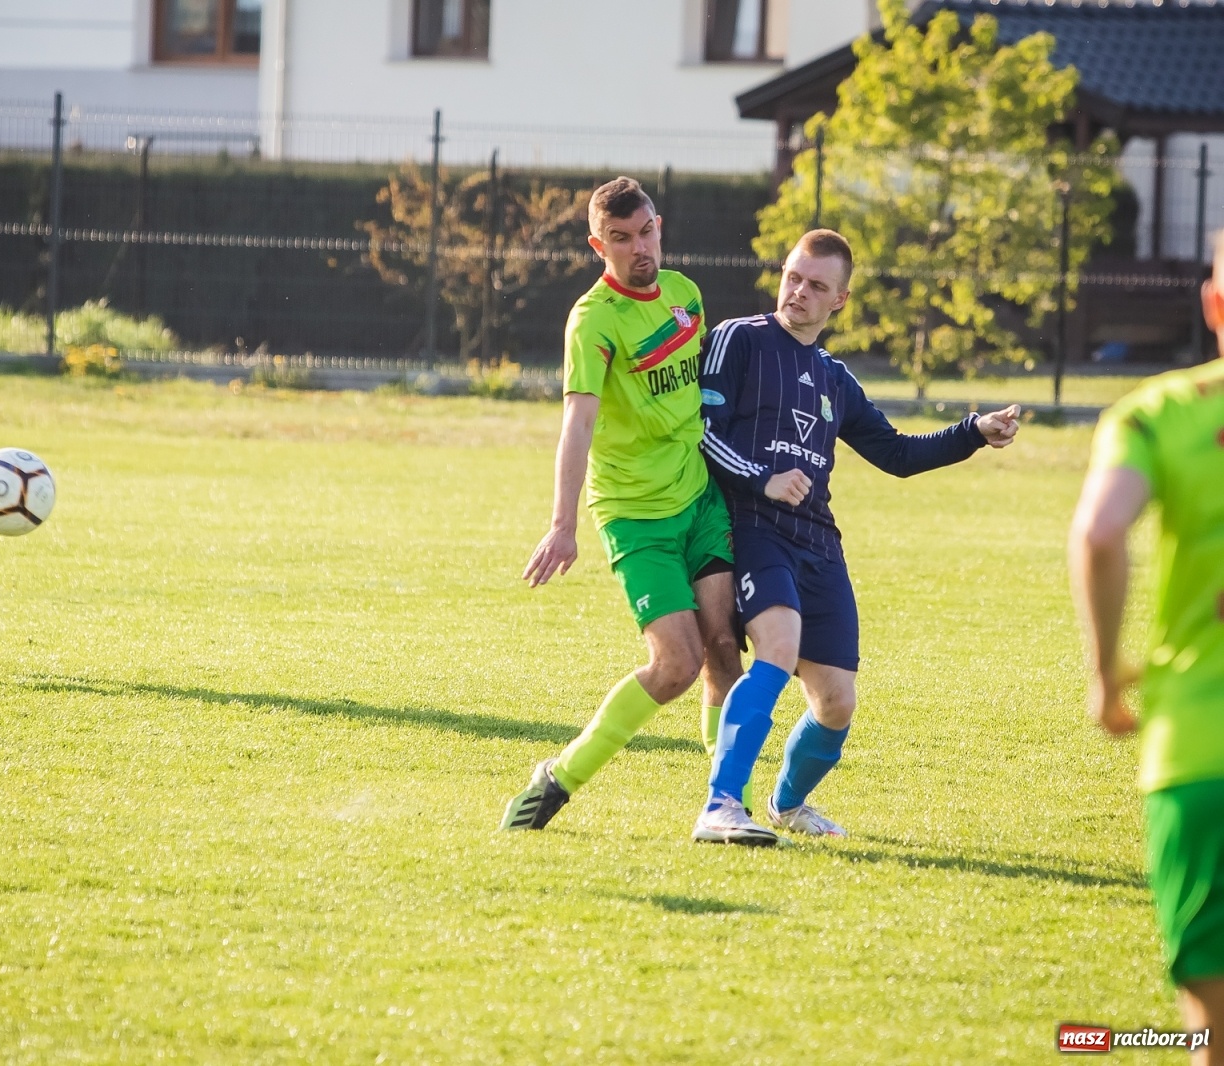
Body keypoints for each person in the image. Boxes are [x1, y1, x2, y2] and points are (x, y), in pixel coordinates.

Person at [691, 229, 1020, 845]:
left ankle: (787, 804)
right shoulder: (740, 338)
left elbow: (897, 453)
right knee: (777, 647)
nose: (799, 292)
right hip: (753, 528)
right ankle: (720, 805)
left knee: (837, 702)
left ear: (839, 300)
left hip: (818, 544)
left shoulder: (833, 378)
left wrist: (973, 431)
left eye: (816, 286)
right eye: (793, 277)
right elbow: (702, 433)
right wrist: (763, 478)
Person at [501, 176, 743, 830]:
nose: (639, 248)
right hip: (637, 516)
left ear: (659, 227)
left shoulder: (686, 294)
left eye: (646, 232)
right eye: (621, 238)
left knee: (725, 645)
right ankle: (560, 777)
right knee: (677, 664)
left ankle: (727, 801)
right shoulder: (594, 320)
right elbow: (577, 423)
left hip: (701, 499)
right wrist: (563, 525)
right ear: (597, 245)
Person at [1068, 233, 1224, 1060]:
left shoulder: (1159, 411)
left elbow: (1100, 534)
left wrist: (1104, 675)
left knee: (1211, 1025)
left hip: (1197, 754)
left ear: (1212, 304)